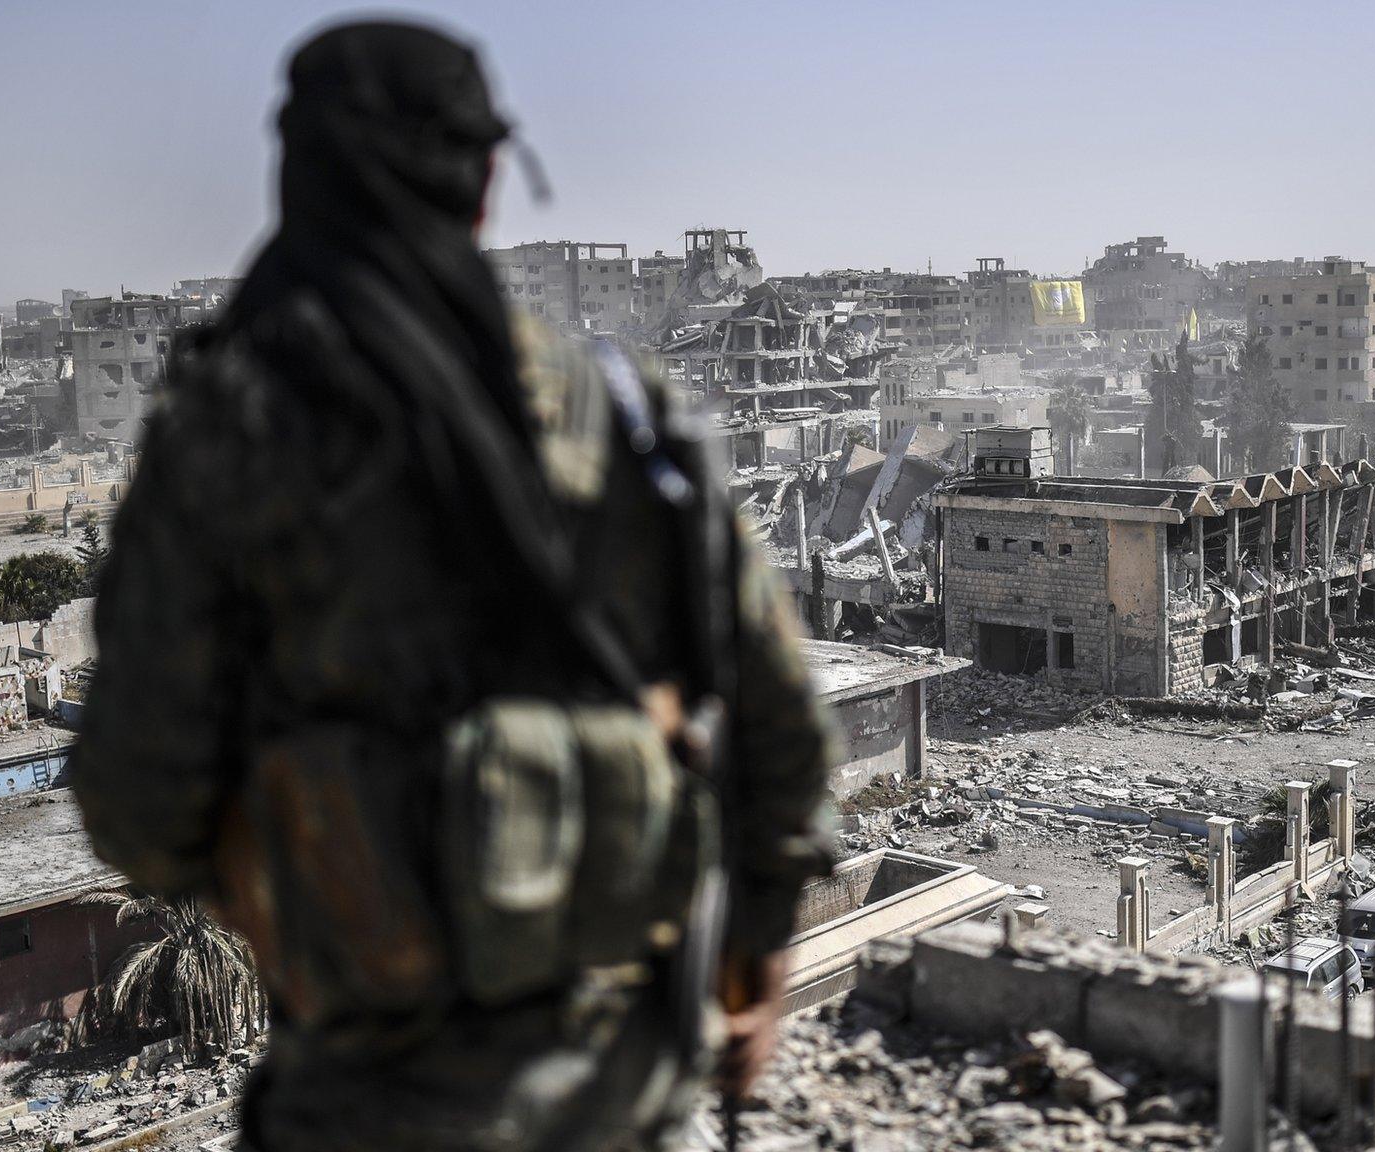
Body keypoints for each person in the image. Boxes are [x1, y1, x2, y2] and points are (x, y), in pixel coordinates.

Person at [70, 22, 834, 1152]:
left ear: (300, 179)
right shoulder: (620, 409)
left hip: (370, 1082)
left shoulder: (230, 431)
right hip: (612, 1070)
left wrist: (301, 853)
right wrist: (756, 955)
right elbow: (775, 716)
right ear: (482, 185)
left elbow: (134, 801)